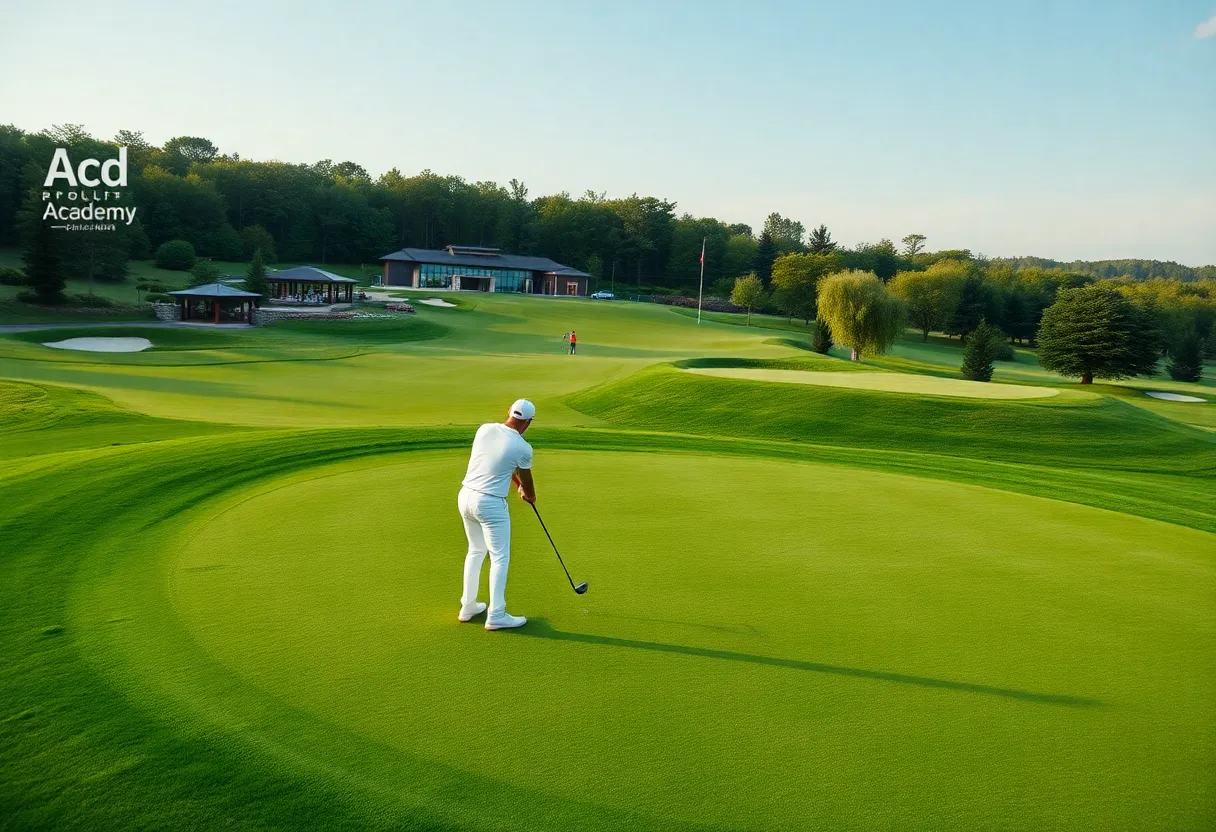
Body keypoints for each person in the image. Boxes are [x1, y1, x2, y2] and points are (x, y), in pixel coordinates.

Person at [457, 399, 537, 630]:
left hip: (466, 496)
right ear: (528, 423)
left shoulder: (484, 429)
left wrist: (516, 484)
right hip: (490, 504)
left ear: (508, 413)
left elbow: (498, 465)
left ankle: (468, 606)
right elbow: (525, 477)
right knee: (500, 557)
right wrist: (528, 494)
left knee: (475, 551)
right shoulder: (522, 447)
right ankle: (497, 614)